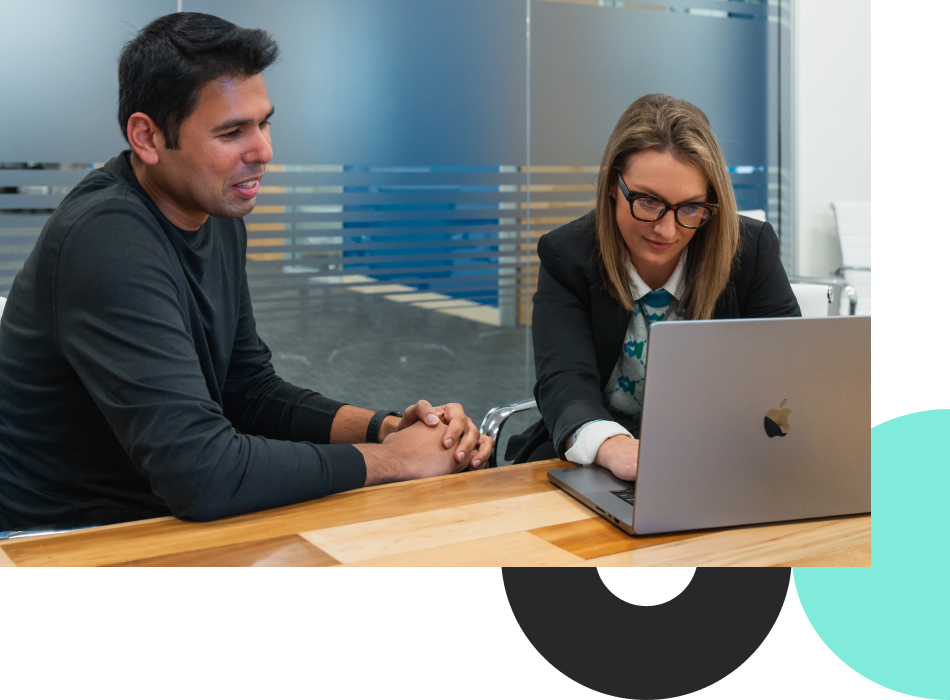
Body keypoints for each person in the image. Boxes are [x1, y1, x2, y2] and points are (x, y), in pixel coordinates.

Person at [0, 13, 493, 532]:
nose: (263, 152)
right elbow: (202, 473)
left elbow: (247, 390)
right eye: (232, 132)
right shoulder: (106, 239)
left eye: (264, 122)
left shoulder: (213, 212)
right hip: (62, 543)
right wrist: (397, 462)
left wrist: (389, 428)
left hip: (162, 516)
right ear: (146, 137)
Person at [507, 94, 799, 479]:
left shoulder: (750, 250)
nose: (666, 229)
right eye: (647, 201)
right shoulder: (568, 255)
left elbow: (791, 374)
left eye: (691, 207)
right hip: (600, 463)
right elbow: (564, 380)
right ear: (614, 184)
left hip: (724, 461)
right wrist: (614, 448)